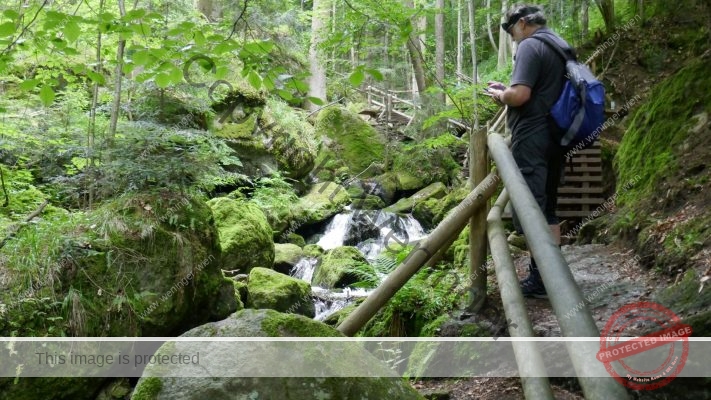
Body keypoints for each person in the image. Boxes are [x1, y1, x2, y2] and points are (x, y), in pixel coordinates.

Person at [486, 4, 570, 298]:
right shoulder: (558, 45)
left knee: (531, 207)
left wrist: (501, 94)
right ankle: (551, 273)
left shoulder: (530, 46)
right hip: (558, 135)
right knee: (547, 207)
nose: (512, 39)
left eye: (511, 33)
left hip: (533, 135)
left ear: (522, 23)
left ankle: (543, 280)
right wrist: (508, 88)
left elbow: (520, 95)